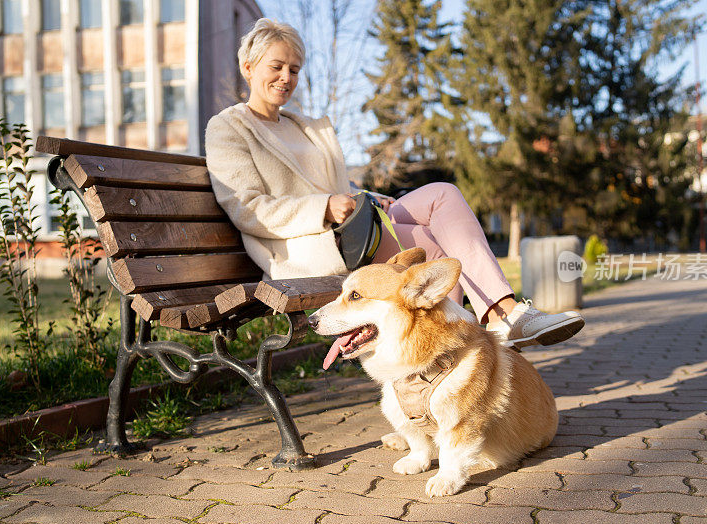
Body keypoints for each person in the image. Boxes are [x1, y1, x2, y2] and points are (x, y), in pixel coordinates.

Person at [205, 18, 584, 349]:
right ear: (248, 66)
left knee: (442, 194)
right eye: (277, 66)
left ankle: (502, 314)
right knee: (433, 251)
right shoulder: (229, 127)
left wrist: (368, 197)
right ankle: (472, 334)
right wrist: (322, 208)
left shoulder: (302, 126)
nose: (286, 78)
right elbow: (247, 207)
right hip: (305, 245)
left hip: (352, 226)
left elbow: (334, 187)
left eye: (294, 69)